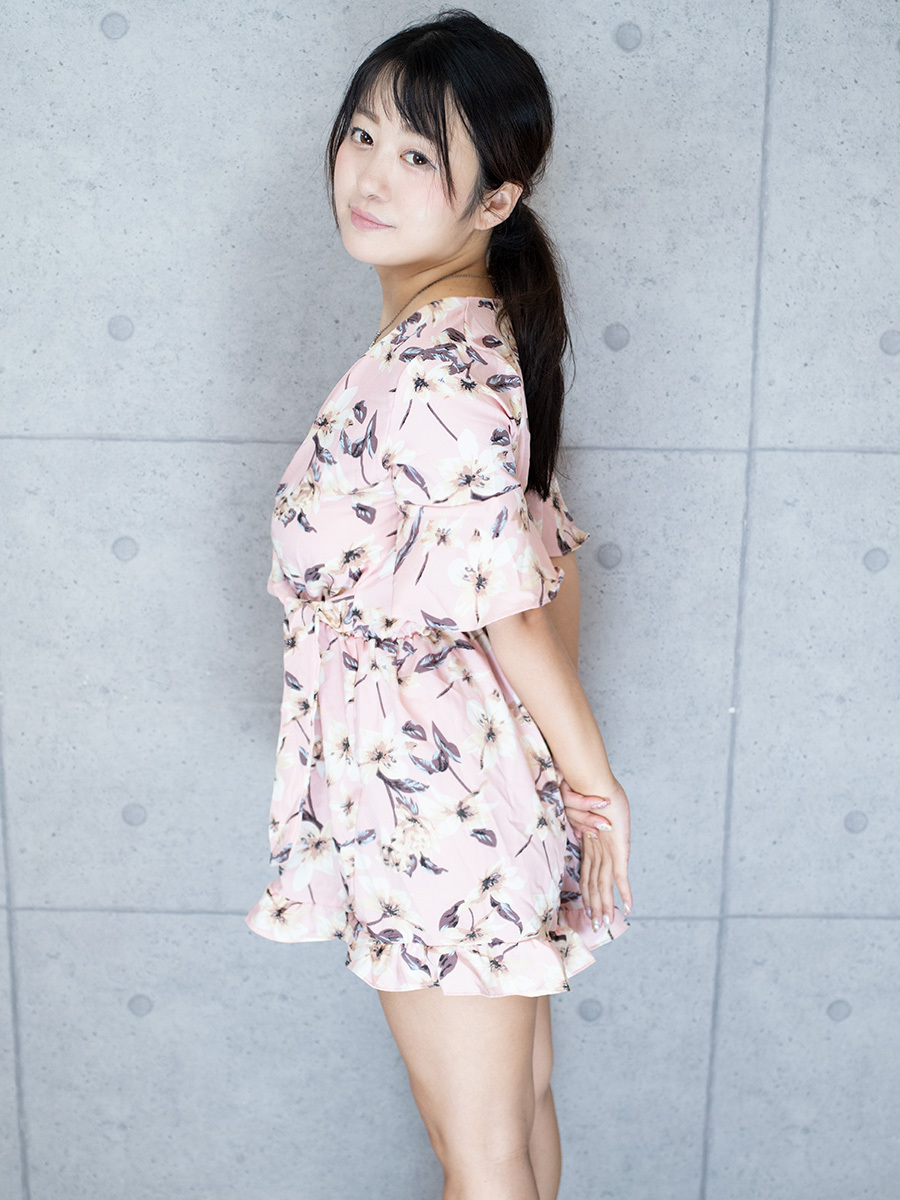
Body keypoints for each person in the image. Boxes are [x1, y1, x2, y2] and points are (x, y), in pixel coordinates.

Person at [245, 9, 633, 1198]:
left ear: (494, 201)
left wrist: (590, 788)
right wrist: (552, 782)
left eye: (419, 154)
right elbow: (545, 561)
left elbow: (513, 603)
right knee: (510, 1122)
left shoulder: (435, 370)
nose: (370, 175)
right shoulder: (465, 342)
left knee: (482, 1153)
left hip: (433, 808)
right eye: (363, 134)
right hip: (459, 791)